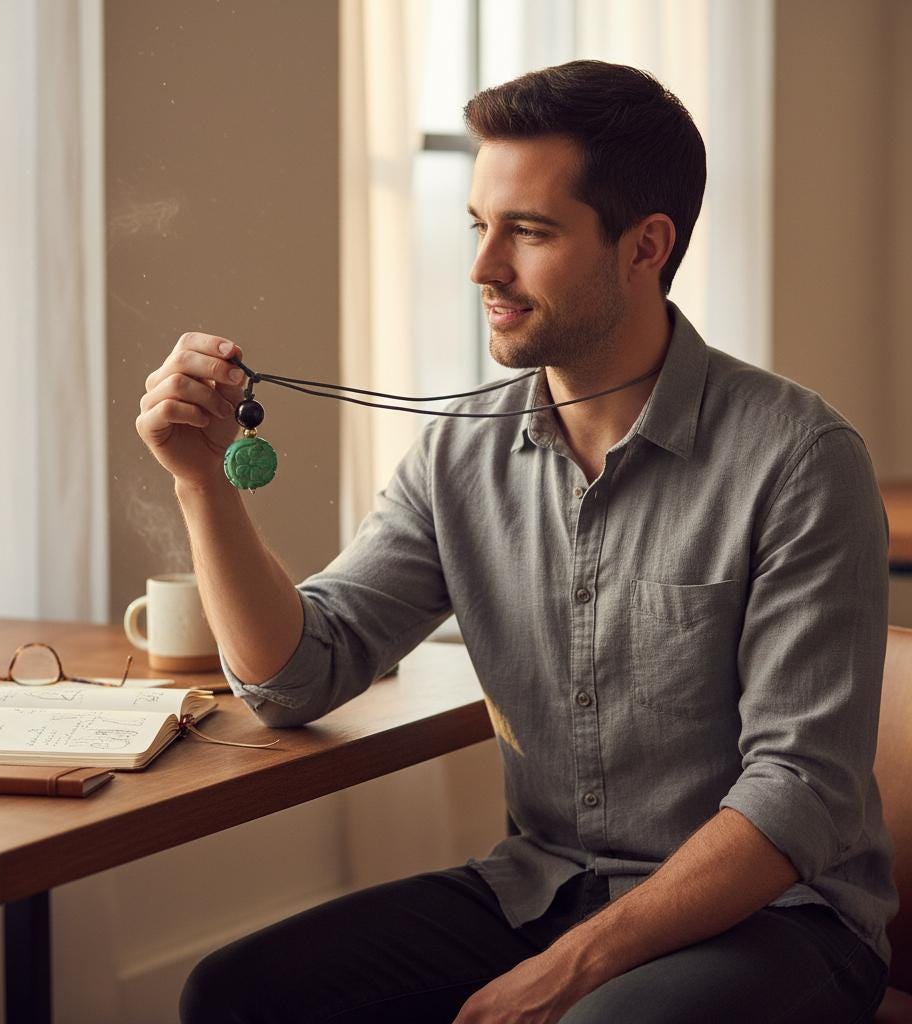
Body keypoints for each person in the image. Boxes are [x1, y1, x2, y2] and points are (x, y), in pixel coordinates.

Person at [137, 60, 895, 1024]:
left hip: (777, 920)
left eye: (528, 231)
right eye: (478, 226)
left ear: (645, 247)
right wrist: (201, 483)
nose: (482, 267)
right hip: (544, 888)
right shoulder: (462, 449)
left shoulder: (801, 459)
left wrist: (570, 971)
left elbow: (798, 796)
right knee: (237, 995)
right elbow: (298, 678)